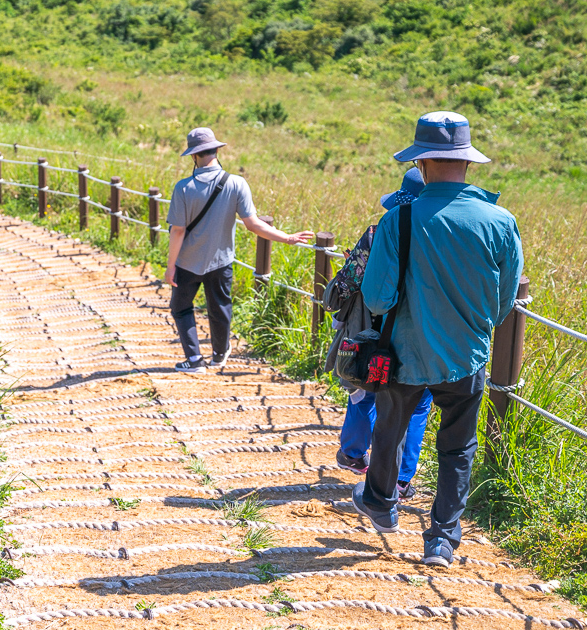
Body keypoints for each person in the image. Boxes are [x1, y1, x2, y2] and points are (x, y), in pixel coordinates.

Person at [352, 111, 523, 568]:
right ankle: (442, 540)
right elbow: (505, 302)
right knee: (458, 447)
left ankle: (382, 504)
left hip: (403, 354)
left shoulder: (399, 221)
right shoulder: (501, 222)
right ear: (468, 163)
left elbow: (378, 297)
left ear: (422, 164)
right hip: (467, 355)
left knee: (390, 428)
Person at [164, 127, 314, 374]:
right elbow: (254, 224)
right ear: (217, 150)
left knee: (181, 308)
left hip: (188, 262)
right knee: (220, 306)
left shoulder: (183, 187)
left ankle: (193, 360)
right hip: (221, 261)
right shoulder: (236, 183)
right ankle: (219, 355)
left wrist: (171, 267)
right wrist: (287, 238)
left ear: (193, 156)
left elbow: (177, 231)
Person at [324, 167, 432, 500]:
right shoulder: (441, 238)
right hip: (425, 336)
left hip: (375, 332)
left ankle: (355, 453)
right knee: (417, 405)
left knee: (365, 388)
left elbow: (343, 286)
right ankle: (401, 479)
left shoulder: (376, 233)